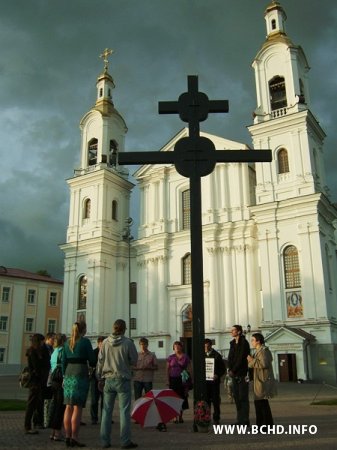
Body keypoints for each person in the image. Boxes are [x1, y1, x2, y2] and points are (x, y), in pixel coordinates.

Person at [97, 319, 138, 449]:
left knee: (106, 411)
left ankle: (104, 441)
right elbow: (134, 360)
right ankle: (125, 441)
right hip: (122, 379)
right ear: (124, 329)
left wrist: (99, 378)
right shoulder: (128, 342)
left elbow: (100, 361)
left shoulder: (105, 342)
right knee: (124, 411)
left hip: (108, 379)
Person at [62, 321, 95, 448]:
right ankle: (75, 437)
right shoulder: (85, 342)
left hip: (69, 373)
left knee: (68, 406)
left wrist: (64, 376)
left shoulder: (67, 342)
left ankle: (67, 436)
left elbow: (63, 361)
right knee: (77, 406)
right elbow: (92, 360)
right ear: (84, 329)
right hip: (80, 373)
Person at [247, 333, 276, 429]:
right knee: (260, 403)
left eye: (253, 340)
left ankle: (265, 425)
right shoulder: (258, 351)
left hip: (262, 380)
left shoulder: (263, 351)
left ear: (258, 341)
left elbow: (264, 364)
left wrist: (251, 360)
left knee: (261, 403)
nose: (251, 342)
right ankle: (263, 425)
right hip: (259, 379)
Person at [132, 337, 162, 430]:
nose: (143, 346)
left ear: (147, 345)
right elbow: (132, 366)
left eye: (144, 344)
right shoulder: (136, 355)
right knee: (138, 399)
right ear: (139, 345)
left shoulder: (152, 355)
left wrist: (150, 368)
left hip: (147, 379)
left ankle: (148, 416)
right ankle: (138, 417)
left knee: (149, 399)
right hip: (138, 379)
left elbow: (156, 367)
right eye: (141, 344)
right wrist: (138, 368)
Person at [24, 333, 50, 434]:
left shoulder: (41, 351)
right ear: (37, 342)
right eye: (41, 341)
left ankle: (36, 423)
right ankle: (27, 426)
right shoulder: (33, 352)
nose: (43, 343)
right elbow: (36, 367)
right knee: (31, 404)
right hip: (35, 381)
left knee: (37, 403)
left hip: (39, 381)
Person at [227, 324, 250, 426]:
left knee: (243, 397)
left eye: (233, 330)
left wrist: (234, 369)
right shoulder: (232, 343)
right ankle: (239, 419)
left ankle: (245, 420)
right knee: (236, 397)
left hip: (242, 373)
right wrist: (229, 368)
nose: (231, 332)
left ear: (239, 331)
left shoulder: (244, 343)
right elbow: (230, 357)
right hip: (234, 374)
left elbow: (241, 358)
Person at [166, 341, 192, 424]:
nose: (177, 348)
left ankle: (180, 416)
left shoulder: (185, 357)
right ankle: (174, 417)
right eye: (175, 347)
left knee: (182, 398)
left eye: (178, 346)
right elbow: (167, 369)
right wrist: (167, 380)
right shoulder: (171, 357)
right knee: (173, 398)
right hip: (173, 380)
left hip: (183, 379)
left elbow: (190, 368)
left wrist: (190, 379)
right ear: (173, 348)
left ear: (181, 347)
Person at [48, 333, 67, 441]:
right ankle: (58, 433)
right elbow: (64, 365)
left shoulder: (54, 351)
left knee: (55, 405)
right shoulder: (62, 351)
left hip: (54, 380)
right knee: (60, 407)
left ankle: (53, 432)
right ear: (63, 341)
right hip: (60, 380)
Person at [204, 338, 226, 425]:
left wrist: (217, 375)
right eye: (204, 346)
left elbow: (223, 369)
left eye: (207, 346)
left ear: (210, 346)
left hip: (214, 382)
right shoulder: (202, 355)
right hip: (205, 382)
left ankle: (216, 418)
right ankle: (207, 417)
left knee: (215, 400)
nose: (205, 348)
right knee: (206, 400)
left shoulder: (217, 355)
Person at [90, 336, 105, 425]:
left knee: (105, 399)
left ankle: (105, 417)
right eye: (101, 344)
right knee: (94, 399)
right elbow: (91, 363)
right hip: (94, 378)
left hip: (105, 378)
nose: (103, 345)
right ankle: (94, 418)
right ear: (98, 343)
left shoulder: (107, 352)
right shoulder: (94, 352)